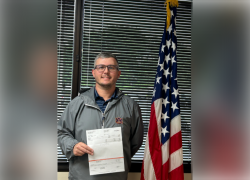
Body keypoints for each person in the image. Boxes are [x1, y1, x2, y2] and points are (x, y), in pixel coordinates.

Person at [57, 52, 144, 180]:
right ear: (93, 72)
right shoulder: (76, 104)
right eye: (101, 67)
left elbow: (135, 143)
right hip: (81, 176)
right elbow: (61, 132)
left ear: (118, 73)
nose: (106, 71)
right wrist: (73, 146)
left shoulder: (131, 106)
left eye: (111, 67)